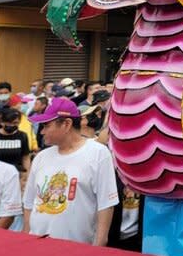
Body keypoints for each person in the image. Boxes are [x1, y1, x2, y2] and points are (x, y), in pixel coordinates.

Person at [23, 98, 119, 245]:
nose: (41, 131)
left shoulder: (98, 153)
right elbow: (29, 204)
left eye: (46, 125)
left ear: (66, 124)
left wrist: (99, 246)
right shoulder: (41, 157)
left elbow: (106, 204)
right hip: (37, 246)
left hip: (78, 249)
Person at [0, 107, 31, 173]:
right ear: (2, 122)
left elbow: (25, 158)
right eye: (9, 122)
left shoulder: (22, 136)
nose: (12, 125)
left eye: (15, 123)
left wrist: (27, 174)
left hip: (17, 174)